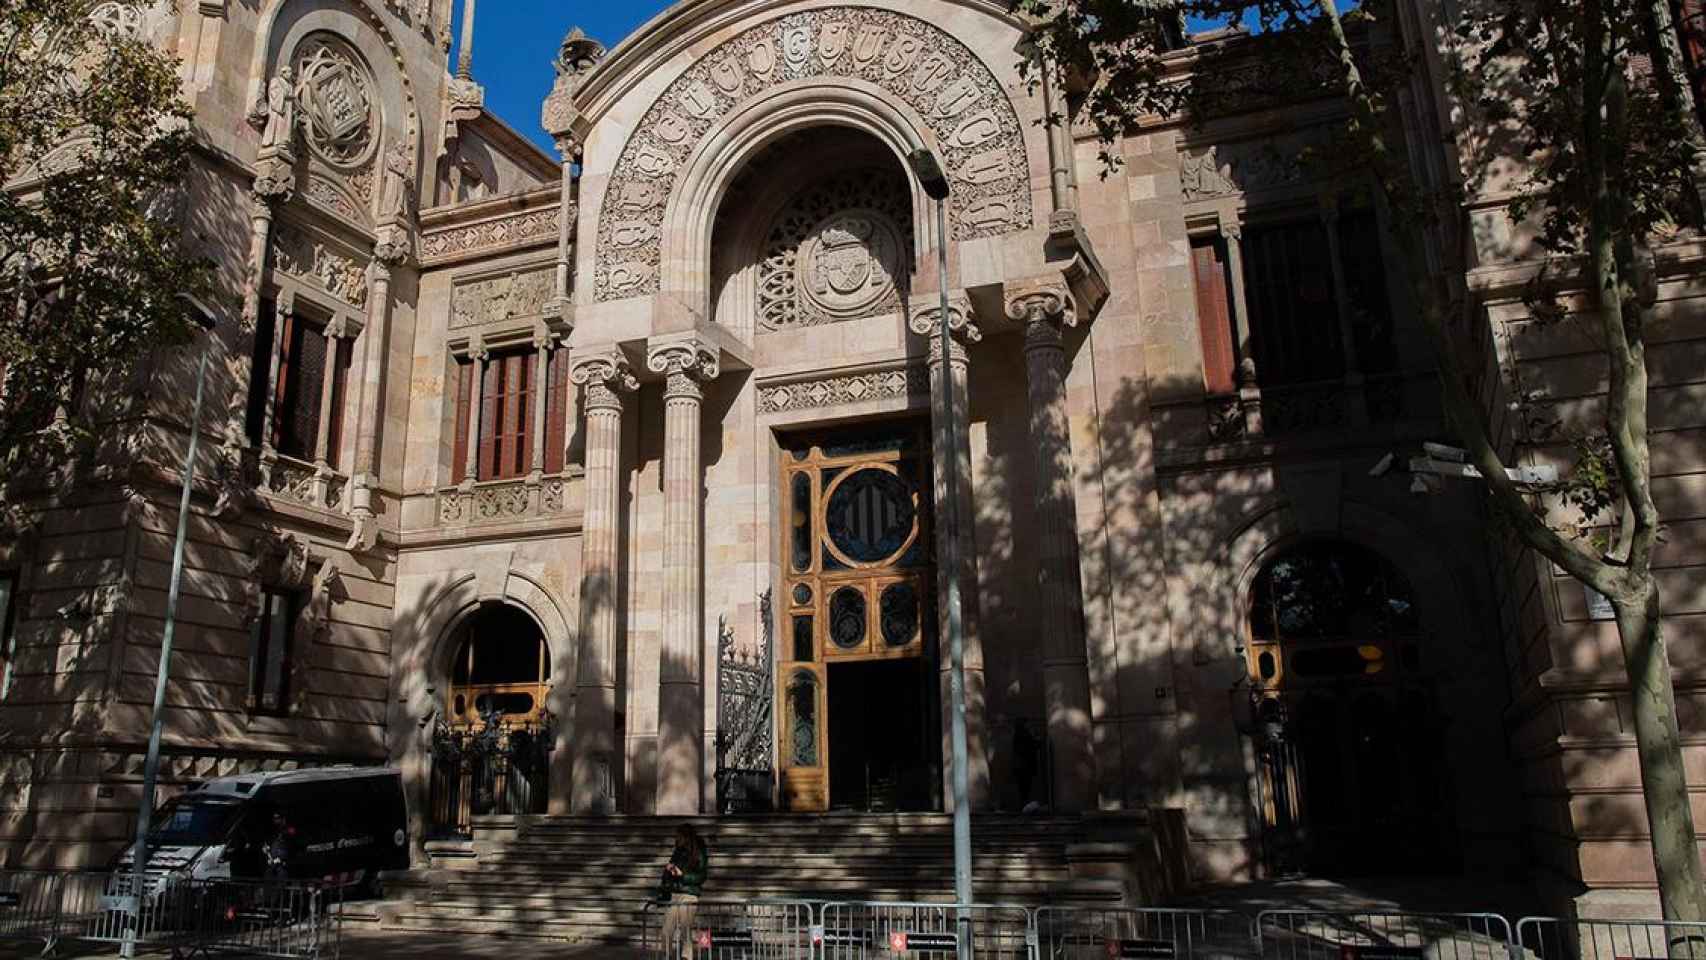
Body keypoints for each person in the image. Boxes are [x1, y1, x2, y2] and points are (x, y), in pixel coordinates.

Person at [655, 824, 708, 958]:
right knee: (667, 929)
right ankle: (666, 955)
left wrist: (682, 875)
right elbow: (670, 871)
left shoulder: (699, 852)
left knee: (686, 929)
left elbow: (701, 876)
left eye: (679, 835)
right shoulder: (678, 851)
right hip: (675, 893)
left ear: (686, 837)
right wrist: (669, 869)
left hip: (689, 894)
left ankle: (686, 957)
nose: (677, 838)